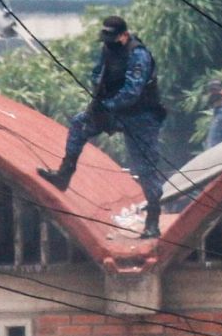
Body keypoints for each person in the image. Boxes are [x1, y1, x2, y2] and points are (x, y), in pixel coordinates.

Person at [36, 16, 168, 238]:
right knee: (79, 124)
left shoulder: (138, 54)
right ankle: (64, 174)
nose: (108, 42)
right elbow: (98, 72)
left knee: (144, 168)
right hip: (113, 110)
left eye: (112, 38)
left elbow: (132, 91)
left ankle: (153, 220)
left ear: (124, 35)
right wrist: (98, 90)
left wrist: (107, 106)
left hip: (141, 116)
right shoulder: (108, 49)